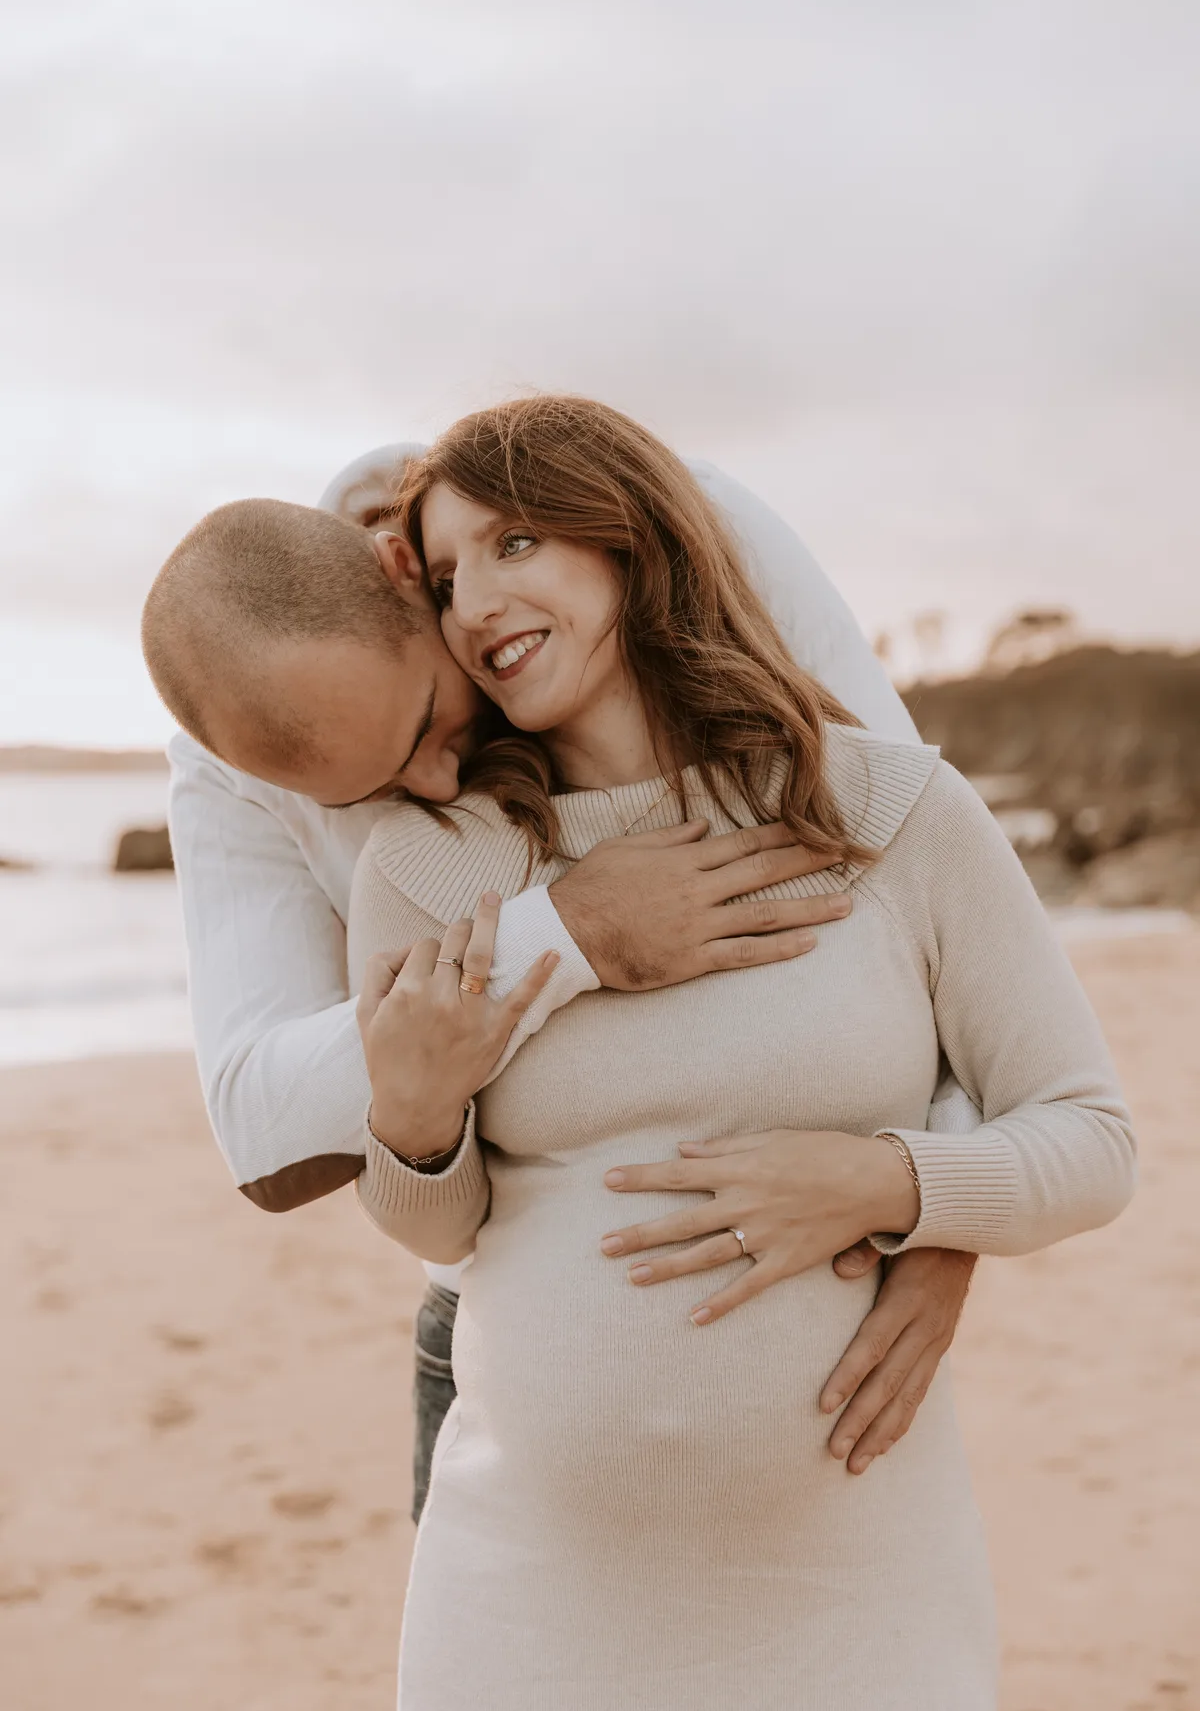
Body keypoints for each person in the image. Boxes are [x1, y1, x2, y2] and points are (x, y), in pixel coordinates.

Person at [339, 396, 1133, 1711]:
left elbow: (1091, 1139)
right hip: (527, 1603)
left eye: (517, 541)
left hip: (852, 1588)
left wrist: (888, 1186)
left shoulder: (888, 811)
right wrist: (408, 1127)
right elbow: (439, 1228)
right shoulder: (429, 873)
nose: (478, 603)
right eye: (452, 575)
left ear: (634, 540)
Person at [150, 446, 980, 1518]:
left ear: (407, 570)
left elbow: (916, 865)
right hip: (494, 1351)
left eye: (423, 729)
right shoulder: (228, 754)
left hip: (828, 1321)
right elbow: (261, 1131)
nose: (437, 783)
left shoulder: (662, 518)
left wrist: (942, 1209)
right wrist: (568, 935)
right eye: (380, 793)